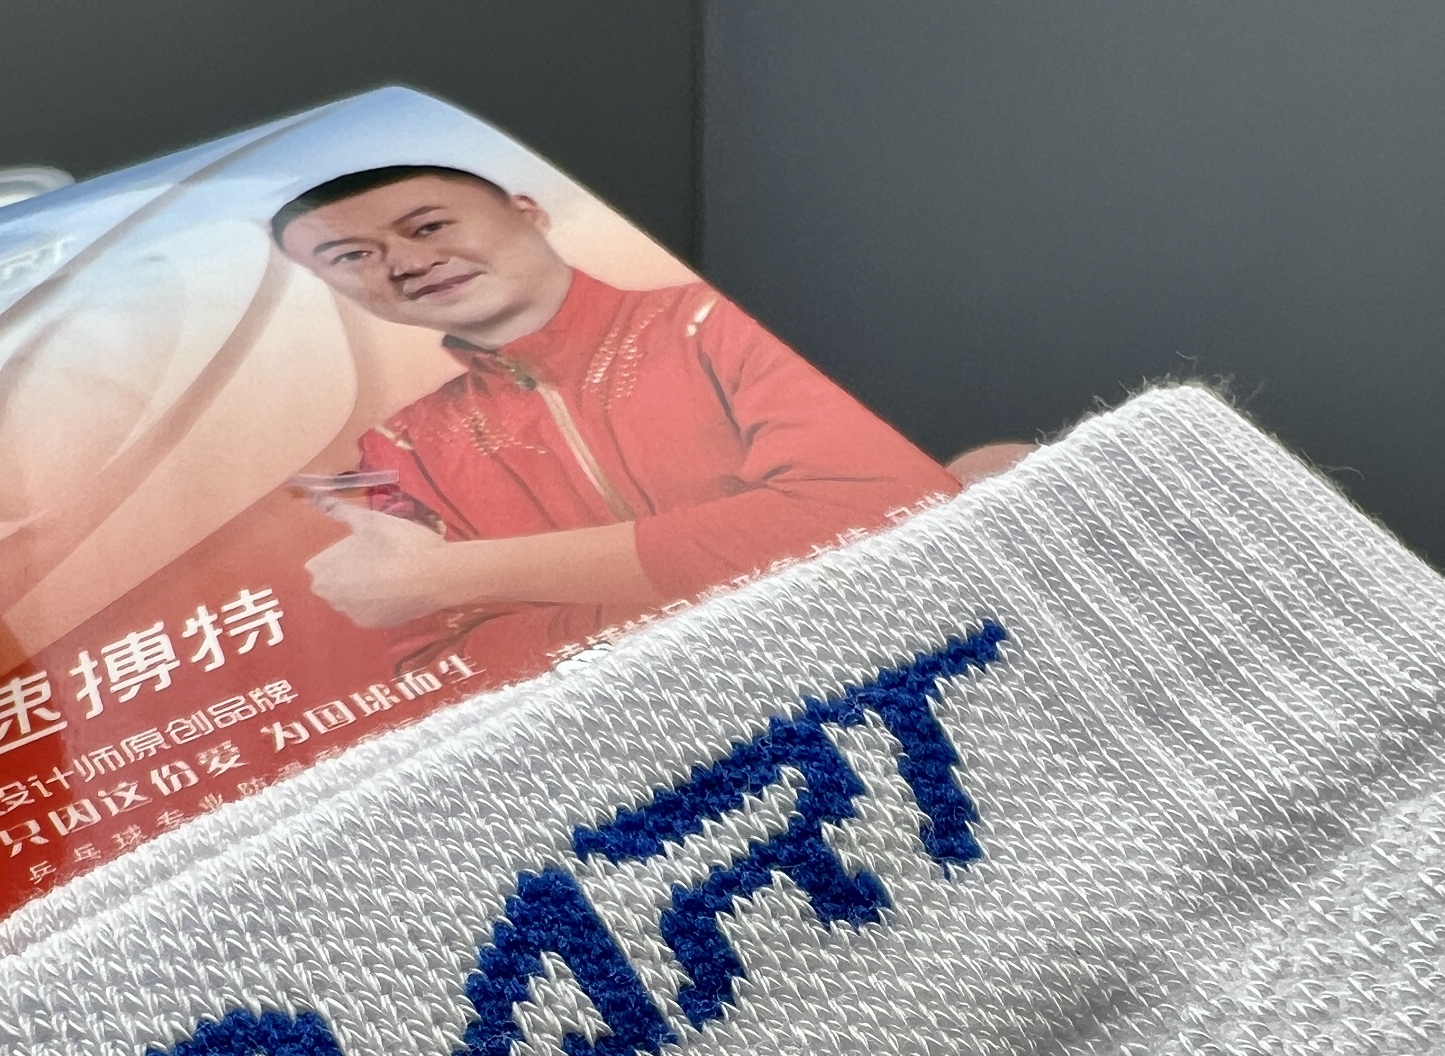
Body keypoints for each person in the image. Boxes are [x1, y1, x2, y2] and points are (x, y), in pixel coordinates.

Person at [273, 165, 963, 678]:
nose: (406, 263)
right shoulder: (397, 448)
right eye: (352, 256)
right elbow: (438, 664)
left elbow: (877, 508)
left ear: (528, 211)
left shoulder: (721, 319)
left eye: (428, 226)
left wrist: (451, 573)